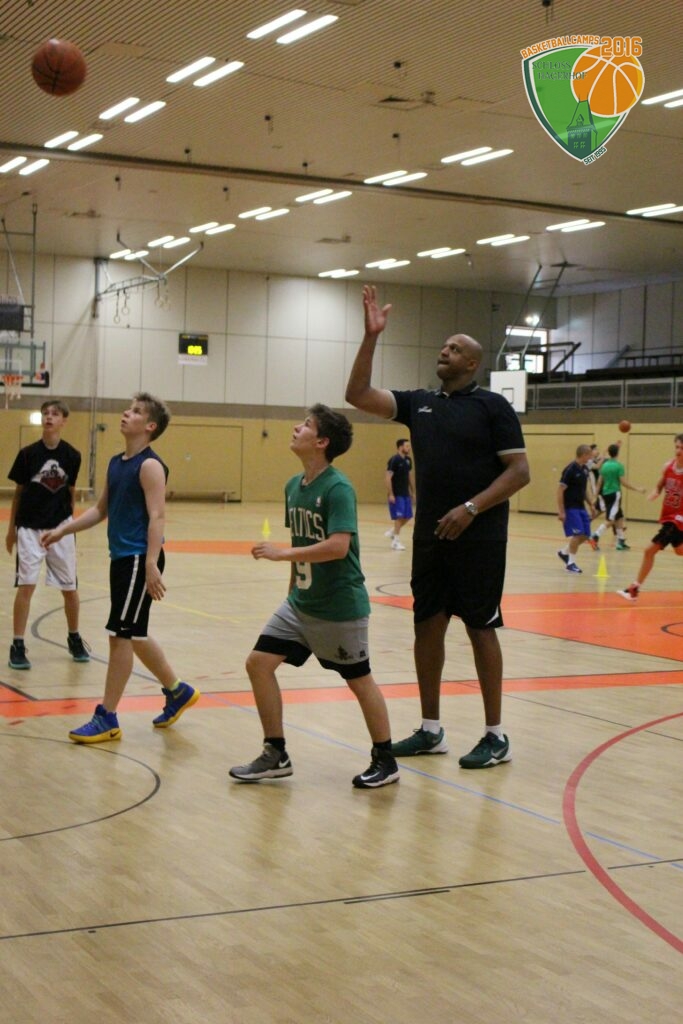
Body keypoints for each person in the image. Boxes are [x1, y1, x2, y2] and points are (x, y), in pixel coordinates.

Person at [345, 285, 529, 769]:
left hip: (480, 537)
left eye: (455, 348)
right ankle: (430, 730)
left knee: (481, 629)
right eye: (444, 346)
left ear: (472, 363)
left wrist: (471, 507)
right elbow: (357, 395)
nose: (444, 351)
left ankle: (496, 735)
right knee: (427, 627)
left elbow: (519, 472)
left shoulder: (494, 407)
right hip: (430, 536)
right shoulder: (419, 403)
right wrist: (371, 337)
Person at [229, 403, 399, 789]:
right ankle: (275, 753)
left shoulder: (339, 488)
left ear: (321, 442)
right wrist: (291, 592)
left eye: (305, 425)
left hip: (339, 608)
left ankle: (386, 760)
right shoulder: (294, 486)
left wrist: (282, 554)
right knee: (258, 664)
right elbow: (302, 540)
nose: (296, 428)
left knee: (359, 681)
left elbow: (338, 546)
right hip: (300, 604)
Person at [41, 393, 200, 742]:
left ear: (150, 426)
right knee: (134, 633)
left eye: (136, 411)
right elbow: (100, 510)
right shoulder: (116, 462)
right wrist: (63, 530)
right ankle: (177, 691)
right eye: (128, 409)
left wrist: (151, 564)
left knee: (120, 636)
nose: (127, 413)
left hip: (139, 559)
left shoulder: (150, 466)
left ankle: (107, 716)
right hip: (122, 559)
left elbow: (158, 516)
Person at [5, 399, 89, 670]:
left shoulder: (73, 455)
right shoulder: (27, 454)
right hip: (29, 528)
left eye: (55, 414)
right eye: (45, 413)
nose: (49, 417)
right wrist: (11, 530)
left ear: (64, 420)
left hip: (60, 528)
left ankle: (74, 637)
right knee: (26, 586)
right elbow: (18, 493)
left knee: (70, 589)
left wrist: (70, 528)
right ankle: (18, 644)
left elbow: (70, 492)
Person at [618, 433, 683, 601]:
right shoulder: (668, 466)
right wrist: (656, 492)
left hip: (677, 520)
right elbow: (661, 483)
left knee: (649, 551)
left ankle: (634, 589)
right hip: (668, 516)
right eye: (677, 447)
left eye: (682, 448)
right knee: (679, 551)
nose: (678, 451)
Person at [594, 443, 646, 550]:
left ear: (609, 453)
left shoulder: (604, 466)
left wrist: (595, 496)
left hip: (605, 494)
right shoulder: (618, 466)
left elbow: (599, 482)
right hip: (615, 494)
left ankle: (621, 541)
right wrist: (637, 489)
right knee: (611, 520)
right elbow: (623, 483)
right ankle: (595, 536)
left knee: (619, 517)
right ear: (617, 453)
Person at [557, 444, 594, 573]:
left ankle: (564, 552)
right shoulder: (570, 469)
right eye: (589, 455)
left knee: (585, 535)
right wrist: (561, 511)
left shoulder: (585, 469)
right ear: (584, 455)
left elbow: (583, 490)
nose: (590, 458)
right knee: (577, 534)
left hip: (581, 507)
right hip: (570, 507)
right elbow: (560, 490)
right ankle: (570, 563)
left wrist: (591, 504)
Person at [384, 438, 414, 550]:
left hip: (405, 493)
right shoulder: (394, 460)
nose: (409, 448)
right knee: (399, 516)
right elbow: (388, 478)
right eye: (407, 446)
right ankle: (395, 541)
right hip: (397, 494)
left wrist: (413, 492)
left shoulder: (408, 460)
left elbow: (409, 476)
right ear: (400, 447)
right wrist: (391, 494)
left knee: (408, 516)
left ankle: (393, 531)